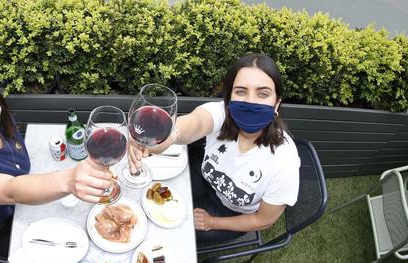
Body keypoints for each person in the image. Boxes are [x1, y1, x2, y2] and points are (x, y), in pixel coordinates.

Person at [128, 54, 300, 244]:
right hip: (203, 180)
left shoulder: (284, 162)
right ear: (229, 98)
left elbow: (263, 220)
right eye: (241, 91)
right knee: (149, 202)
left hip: (231, 213)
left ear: (277, 104)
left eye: (263, 93)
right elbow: (196, 122)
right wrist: (165, 136)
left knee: (177, 238)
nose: (251, 102)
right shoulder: (222, 113)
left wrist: (212, 222)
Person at [0, 71, 112, 257]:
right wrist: (68, 179)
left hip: (28, 202)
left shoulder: (3, 126)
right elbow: (10, 189)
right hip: (4, 227)